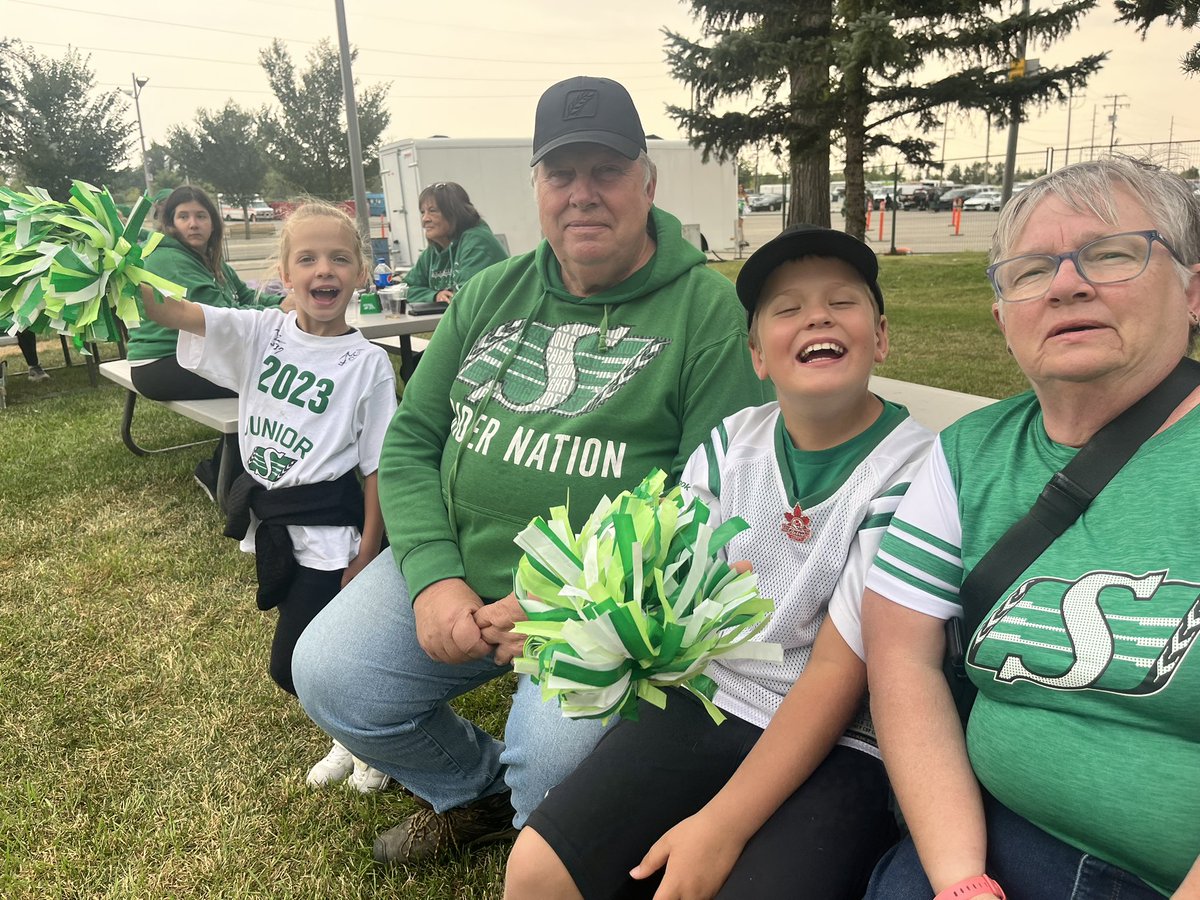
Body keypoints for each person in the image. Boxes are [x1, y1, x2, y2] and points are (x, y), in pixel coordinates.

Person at [291, 74, 770, 866]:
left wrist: (560, 599)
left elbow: (712, 504)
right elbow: (411, 439)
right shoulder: (490, 292)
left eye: (606, 171)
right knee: (332, 676)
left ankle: (535, 813)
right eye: (562, 173)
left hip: (600, 604)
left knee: (557, 770)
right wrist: (436, 576)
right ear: (537, 189)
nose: (583, 194)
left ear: (646, 182)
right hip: (465, 573)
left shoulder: (706, 314)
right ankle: (473, 793)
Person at [505, 225, 935, 900]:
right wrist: (565, 613)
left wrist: (720, 826)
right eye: (786, 309)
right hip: (714, 697)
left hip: (849, 741)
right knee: (536, 871)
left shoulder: (917, 474)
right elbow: (661, 578)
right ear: (758, 355)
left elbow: (836, 674)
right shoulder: (732, 444)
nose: (816, 315)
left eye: (841, 302)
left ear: (880, 336)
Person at [861, 158, 1200, 900]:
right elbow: (903, 662)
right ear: (1002, 317)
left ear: (1193, 289)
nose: (1067, 284)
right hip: (988, 840)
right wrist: (960, 881)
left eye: (1110, 253)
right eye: (1032, 269)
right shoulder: (968, 455)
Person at [137, 201, 397, 793]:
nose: (322, 270)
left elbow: (379, 466)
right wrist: (114, 271)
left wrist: (368, 553)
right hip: (273, 522)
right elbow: (167, 309)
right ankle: (349, 735)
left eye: (339, 258)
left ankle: (370, 734)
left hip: (332, 533)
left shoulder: (369, 365)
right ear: (284, 275)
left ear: (360, 273)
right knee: (309, 645)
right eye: (306, 258)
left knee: (295, 665)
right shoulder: (262, 332)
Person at [129, 186, 287, 497]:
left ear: (213, 222)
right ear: (170, 223)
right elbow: (221, 314)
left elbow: (245, 297)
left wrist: (283, 300)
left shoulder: (208, 258)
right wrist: (279, 310)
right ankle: (218, 472)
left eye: (201, 216)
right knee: (270, 384)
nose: (193, 223)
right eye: (184, 216)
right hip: (161, 363)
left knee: (272, 377)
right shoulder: (170, 258)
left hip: (193, 354)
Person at [402, 181, 509, 304]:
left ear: (455, 212)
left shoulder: (477, 242)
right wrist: (434, 296)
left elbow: (464, 299)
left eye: (432, 211)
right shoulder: (434, 250)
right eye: (422, 212)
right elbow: (404, 289)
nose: (425, 219)